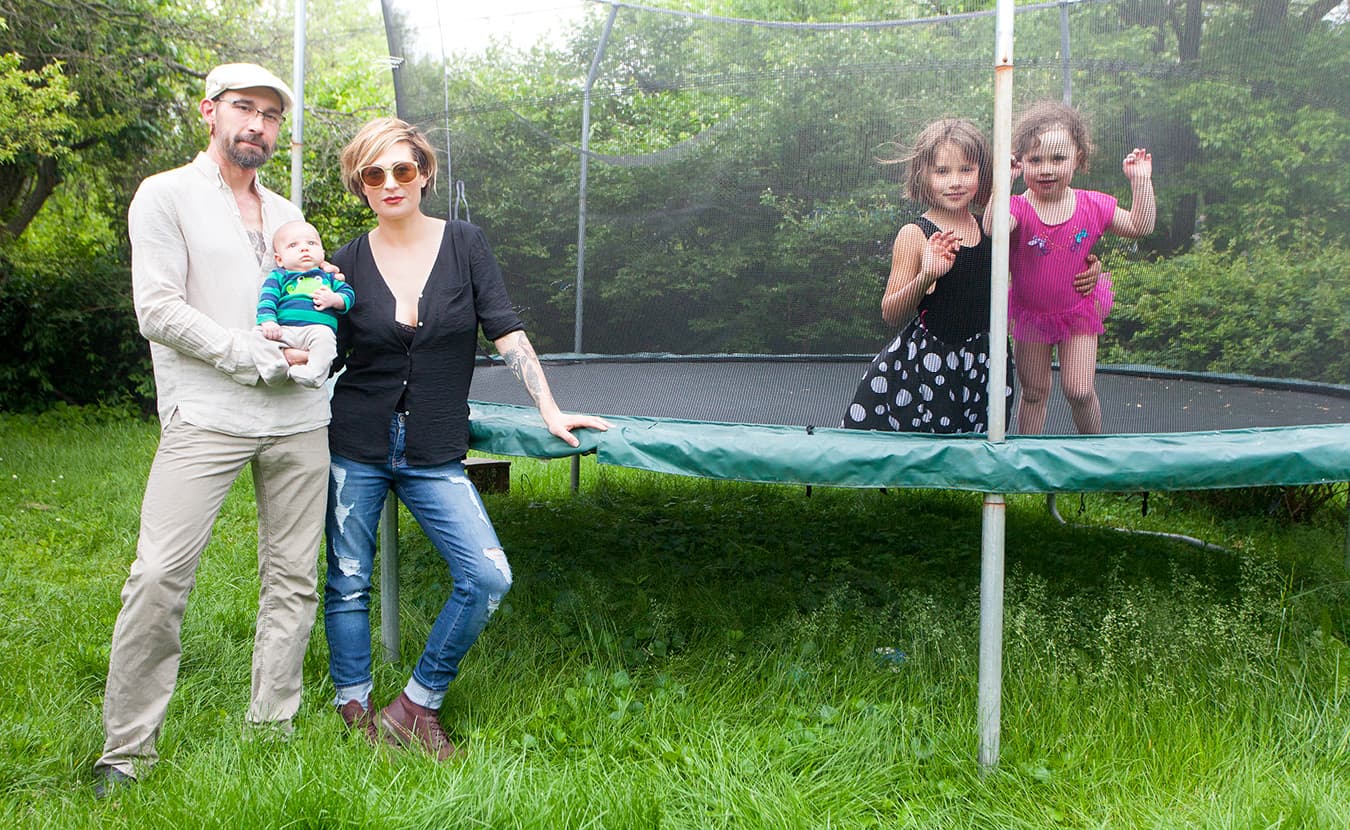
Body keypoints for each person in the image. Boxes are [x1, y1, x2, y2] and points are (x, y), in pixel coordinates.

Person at [323, 117, 612, 761]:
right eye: (374, 174)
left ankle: (415, 705)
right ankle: (353, 707)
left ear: (424, 173)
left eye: (402, 169)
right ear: (360, 186)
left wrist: (549, 407)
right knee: (347, 579)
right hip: (357, 441)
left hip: (433, 446)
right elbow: (327, 350)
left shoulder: (464, 244)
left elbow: (505, 330)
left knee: (486, 575)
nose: (390, 183)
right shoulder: (343, 262)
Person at [94, 63, 331, 798]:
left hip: (300, 414)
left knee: (294, 576)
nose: (257, 124)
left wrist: (319, 347)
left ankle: (273, 725)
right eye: (243, 109)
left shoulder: (289, 208)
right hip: (208, 412)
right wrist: (249, 355)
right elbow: (157, 309)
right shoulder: (165, 195)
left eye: (270, 114)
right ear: (209, 112)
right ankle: (127, 752)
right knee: (159, 575)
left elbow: (312, 301)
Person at [841, 118, 1101, 433]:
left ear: (983, 173)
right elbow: (890, 313)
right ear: (924, 176)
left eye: (966, 170)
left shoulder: (993, 228)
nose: (955, 182)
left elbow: (1049, 257)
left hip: (983, 361)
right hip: (931, 363)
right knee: (930, 454)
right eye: (942, 171)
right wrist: (926, 275)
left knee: (978, 450)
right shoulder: (915, 234)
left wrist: (1090, 268)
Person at [989, 100, 1155, 435]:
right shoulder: (1018, 208)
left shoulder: (1092, 204)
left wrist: (1140, 182)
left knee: (1079, 390)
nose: (1046, 168)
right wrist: (1002, 184)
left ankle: (1094, 452)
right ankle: (1027, 461)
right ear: (1020, 162)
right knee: (1034, 392)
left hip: (1077, 311)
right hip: (1031, 316)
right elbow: (993, 229)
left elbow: (1140, 226)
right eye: (1035, 159)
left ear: (1078, 158)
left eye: (1057, 158)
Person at [257, 220, 355, 387]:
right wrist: (268, 321)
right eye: (293, 245)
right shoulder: (279, 277)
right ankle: (272, 370)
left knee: (326, 342)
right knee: (257, 335)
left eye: (311, 243)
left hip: (317, 329)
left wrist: (334, 299)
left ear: (322, 253)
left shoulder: (329, 278)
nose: (304, 248)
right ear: (279, 259)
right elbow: (267, 299)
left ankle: (313, 374)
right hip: (283, 330)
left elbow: (348, 295)